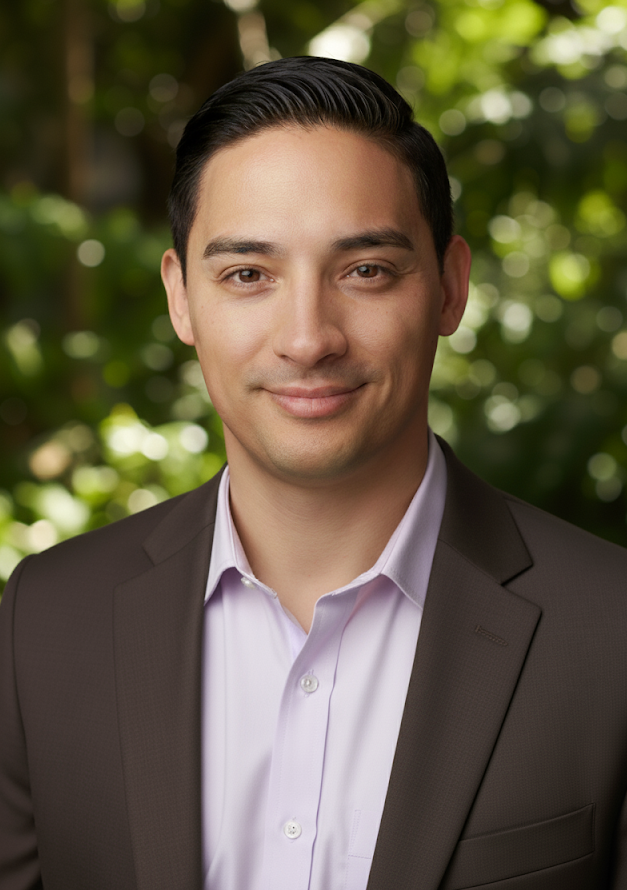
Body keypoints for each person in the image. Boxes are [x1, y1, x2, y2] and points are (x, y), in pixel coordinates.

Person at [0, 56, 626, 890]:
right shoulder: (43, 623)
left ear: (448, 287)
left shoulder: (610, 632)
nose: (307, 338)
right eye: (247, 275)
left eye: (364, 270)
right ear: (181, 297)